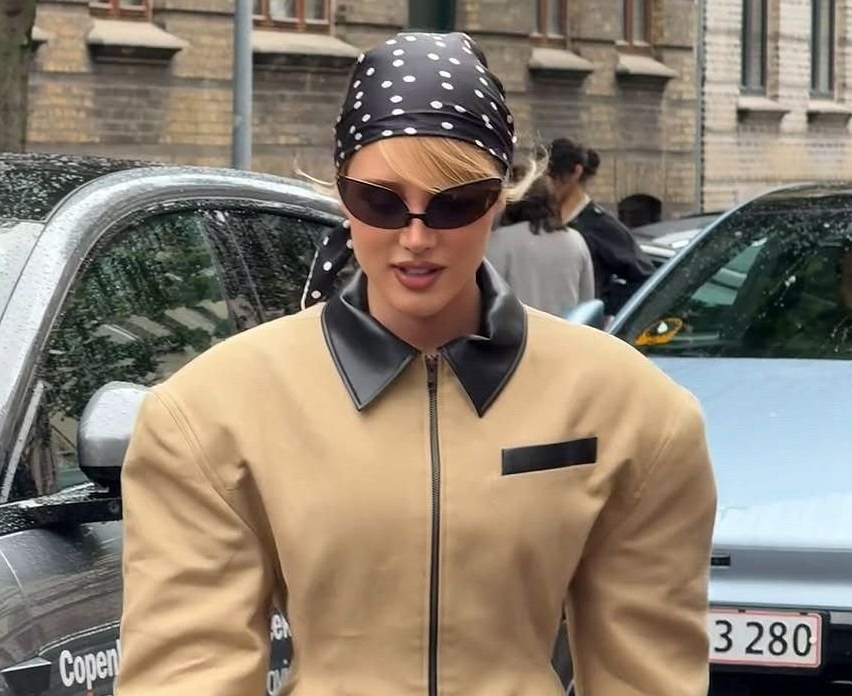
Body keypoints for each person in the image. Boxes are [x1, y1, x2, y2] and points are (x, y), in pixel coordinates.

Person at [118, 31, 716, 696]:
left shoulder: (633, 411)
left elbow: (648, 675)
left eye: (454, 202)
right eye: (380, 200)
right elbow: (185, 676)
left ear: (501, 197)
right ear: (341, 195)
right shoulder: (210, 414)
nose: (416, 236)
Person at [547, 137, 654, 315]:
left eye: (552, 176)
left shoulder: (600, 225)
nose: (546, 184)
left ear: (575, 172)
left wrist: (600, 302)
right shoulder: (539, 220)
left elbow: (645, 280)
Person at [486, 166, 595, 316]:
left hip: (518, 329)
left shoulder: (500, 240)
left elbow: (489, 297)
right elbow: (587, 302)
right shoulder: (576, 241)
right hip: (565, 329)